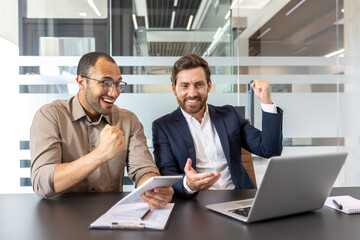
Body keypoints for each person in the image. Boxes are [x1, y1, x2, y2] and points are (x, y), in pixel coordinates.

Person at [30, 52, 174, 208]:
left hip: (110, 216)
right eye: (105, 82)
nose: (114, 92)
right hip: (59, 217)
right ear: (81, 82)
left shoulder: (128, 121)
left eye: (118, 83)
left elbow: (143, 170)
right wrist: (100, 154)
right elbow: (42, 183)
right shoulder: (50, 116)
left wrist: (154, 189)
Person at [152, 54, 283, 198]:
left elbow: (270, 149)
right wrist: (188, 184)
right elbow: (167, 173)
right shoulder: (163, 126)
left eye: (199, 84)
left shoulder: (229, 115)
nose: (192, 93)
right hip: (195, 204)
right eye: (184, 86)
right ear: (174, 88)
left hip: (239, 197)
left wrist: (266, 102)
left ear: (209, 85)